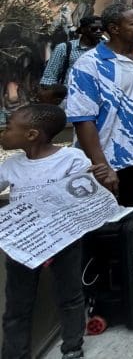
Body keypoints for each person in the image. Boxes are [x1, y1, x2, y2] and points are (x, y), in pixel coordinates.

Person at [0, 104, 116, 359]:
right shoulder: (11, 166)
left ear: (32, 135)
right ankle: (14, 354)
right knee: (17, 304)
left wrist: (103, 180)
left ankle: (72, 346)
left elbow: (89, 197)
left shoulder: (72, 160)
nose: (3, 133)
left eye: (8, 128)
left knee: (70, 295)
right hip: (24, 244)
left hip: (64, 241)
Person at [67, 3, 133, 206]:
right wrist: (102, 165)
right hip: (108, 163)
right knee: (107, 229)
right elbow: (83, 119)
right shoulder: (88, 64)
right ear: (114, 29)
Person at [40, 15, 103, 88]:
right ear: (83, 30)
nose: (99, 31)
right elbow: (49, 78)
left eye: (102, 29)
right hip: (69, 96)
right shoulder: (64, 48)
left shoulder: (107, 50)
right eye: (94, 29)